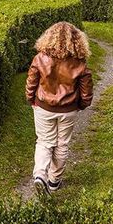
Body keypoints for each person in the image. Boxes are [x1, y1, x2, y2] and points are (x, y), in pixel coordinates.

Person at [26, 22, 93, 196]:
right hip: (68, 109)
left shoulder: (40, 58)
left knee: (44, 141)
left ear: (48, 37)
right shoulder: (80, 63)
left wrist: (31, 99)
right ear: (77, 40)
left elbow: (31, 82)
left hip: (43, 107)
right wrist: (82, 105)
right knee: (62, 144)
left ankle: (40, 174)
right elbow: (86, 91)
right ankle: (54, 181)